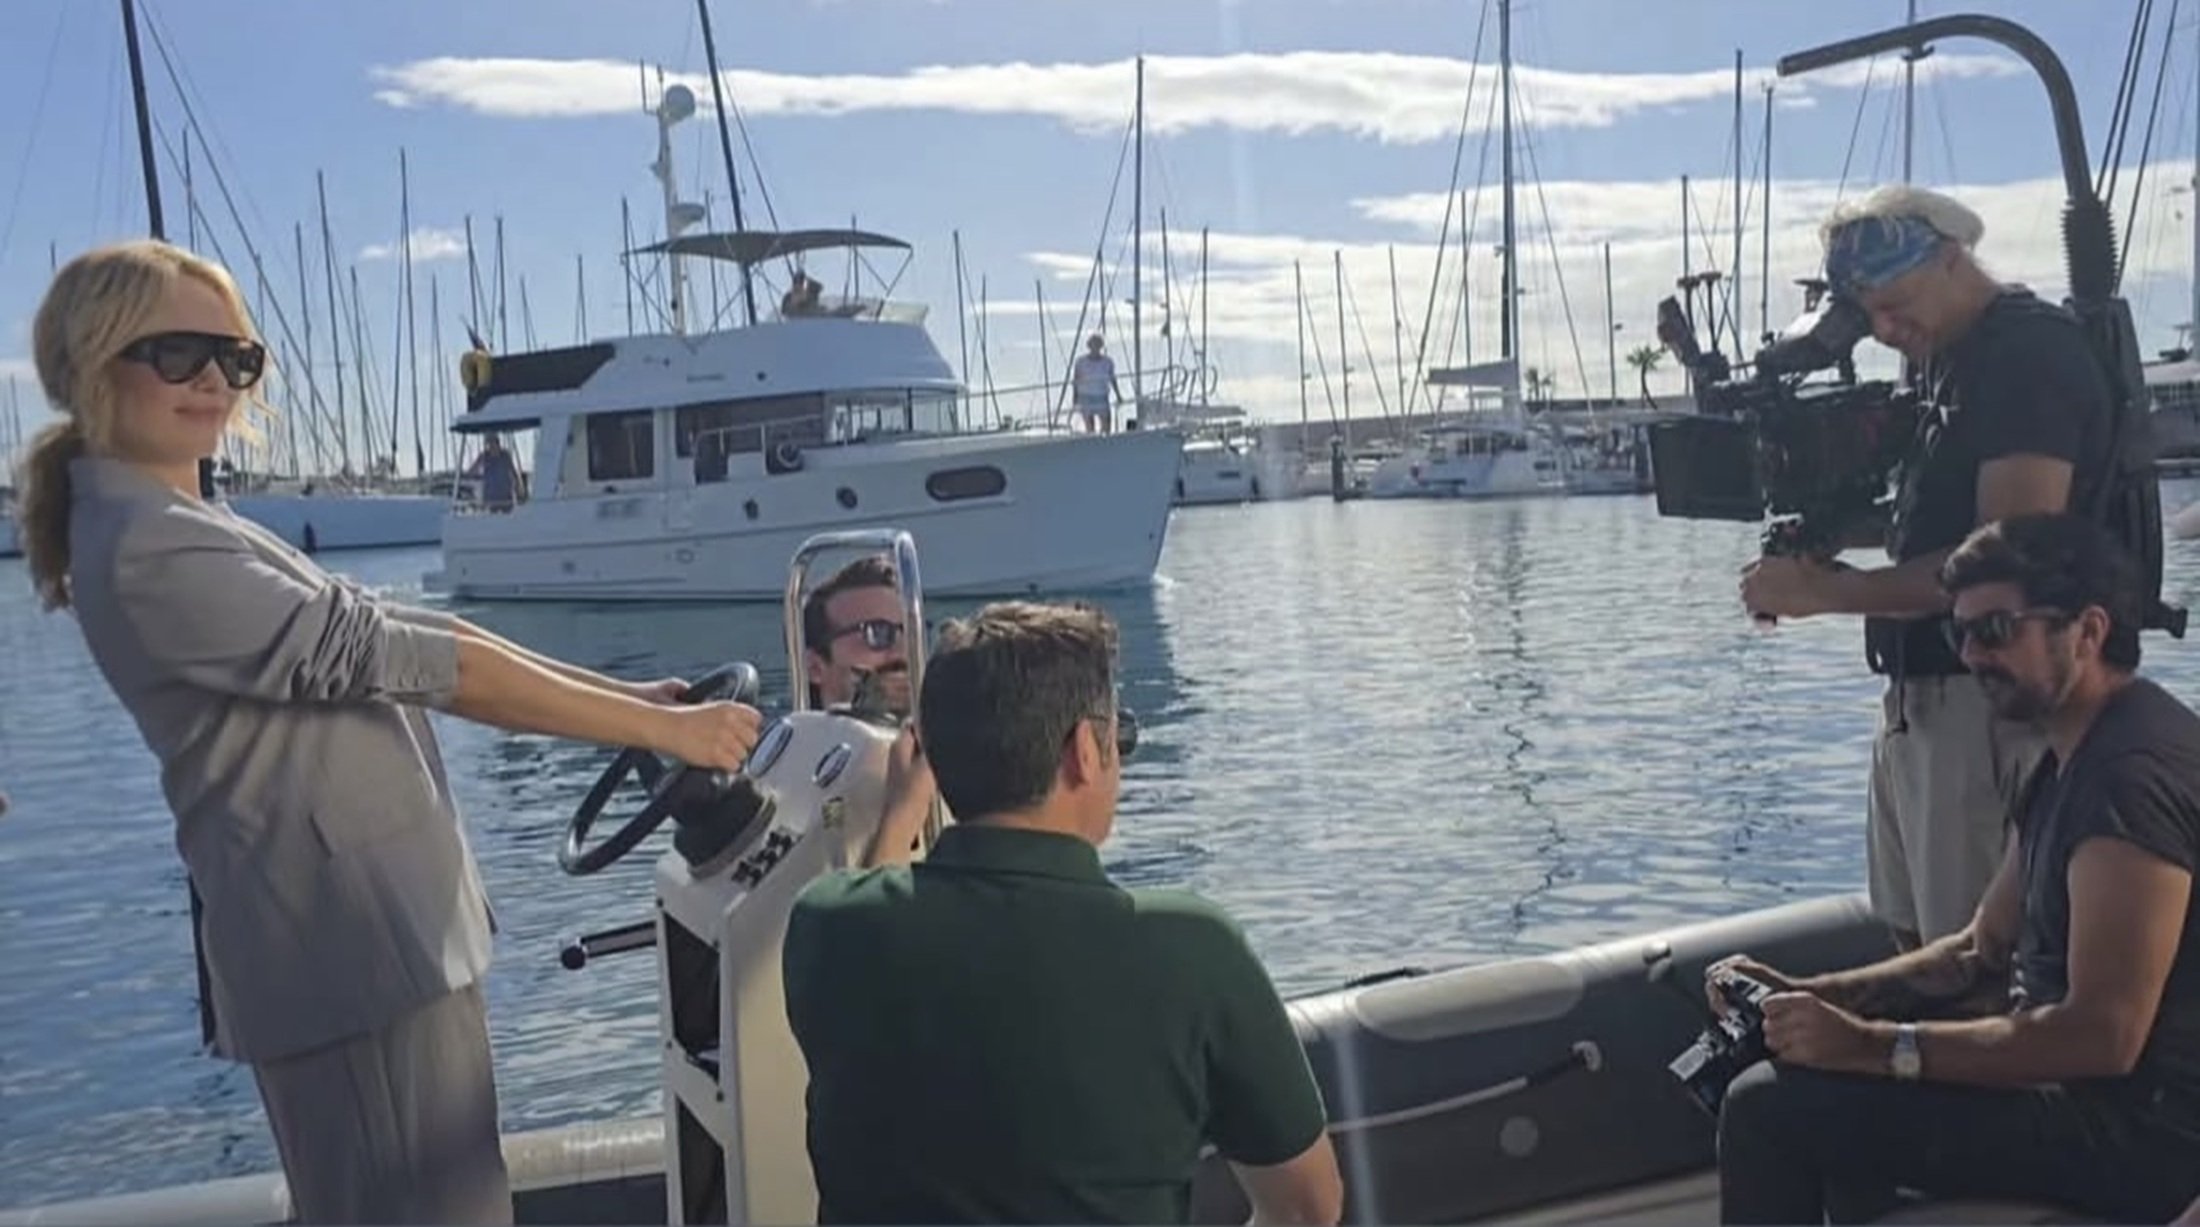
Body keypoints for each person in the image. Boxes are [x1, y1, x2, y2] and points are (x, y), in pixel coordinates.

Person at [15, 240, 765, 1224]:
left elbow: (415, 635)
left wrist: (641, 704)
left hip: (374, 943)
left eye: (237, 359)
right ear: (91, 362)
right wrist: (663, 732)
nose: (215, 381)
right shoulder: (152, 547)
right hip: (344, 952)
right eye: (178, 353)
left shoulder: (184, 519)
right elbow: (427, 666)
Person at [782, 601, 1343, 1225]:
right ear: (1084, 750)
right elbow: (1306, 1209)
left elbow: (870, 896)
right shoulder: (1191, 948)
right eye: (1116, 735)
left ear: (935, 758)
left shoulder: (825, 926)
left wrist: (902, 812)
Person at [1712, 513, 2200, 1225]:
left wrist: (1878, 1047)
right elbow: (1978, 950)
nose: (1971, 654)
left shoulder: (2127, 782)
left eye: (1996, 629)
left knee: (1768, 1109)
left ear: (2088, 631)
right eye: (1958, 632)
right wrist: (1809, 998)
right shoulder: (2070, 754)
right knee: (1821, 1089)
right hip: (2086, 1101)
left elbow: (2103, 1036)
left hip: (2142, 1139)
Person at [1740, 185, 2120, 950]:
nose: (1886, 328)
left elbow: (2008, 553)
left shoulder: (2025, 356)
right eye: (1869, 315)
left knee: (1974, 962)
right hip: (1922, 704)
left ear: (1954, 259)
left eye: (1899, 303)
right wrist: (1828, 545)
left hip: (1989, 704)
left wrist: (1832, 593)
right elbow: (1936, 525)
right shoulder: (1941, 361)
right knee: (1915, 945)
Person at [798, 553, 935, 866]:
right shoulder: (803, 775)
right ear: (815, 666)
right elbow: (854, 908)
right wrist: (906, 810)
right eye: (876, 633)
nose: (902, 651)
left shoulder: (957, 756)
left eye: (909, 632)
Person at [1069, 332, 1123, 434]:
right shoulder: (1081, 362)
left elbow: (1112, 379)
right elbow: (1076, 380)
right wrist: (1075, 398)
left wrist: (1118, 395)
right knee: (1090, 426)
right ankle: (1092, 441)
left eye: (1098, 344)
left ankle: (1105, 443)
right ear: (1089, 346)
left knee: (1106, 424)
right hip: (1085, 395)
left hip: (1101, 395)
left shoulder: (1108, 361)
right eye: (1093, 344)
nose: (1095, 347)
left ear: (1101, 346)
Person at [464, 433, 525, 511]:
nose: (491, 446)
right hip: (490, 499)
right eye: (489, 444)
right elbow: (471, 472)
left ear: (497, 444)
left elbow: (513, 473)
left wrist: (518, 488)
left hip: (505, 497)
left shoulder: (505, 456)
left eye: (493, 443)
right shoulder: (484, 457)